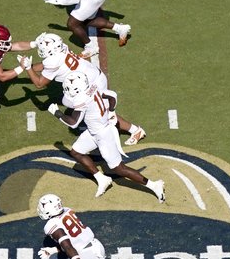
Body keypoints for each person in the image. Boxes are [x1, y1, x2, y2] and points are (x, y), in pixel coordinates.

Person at [47, 73, 162, 202]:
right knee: (76, 152)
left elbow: (73, 123)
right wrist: (111, 111)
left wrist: (57, 113)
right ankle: (102, 179)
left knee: (119, 169)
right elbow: (113, 95)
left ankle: (154, 185)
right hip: (94, 131)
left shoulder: (81, 99)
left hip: (103, 135)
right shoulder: (92, 86)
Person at [29, 32, 146, 145]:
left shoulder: (53, 61)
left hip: (92, 84)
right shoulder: (61, 49)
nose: (41, 50)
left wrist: (28, 68)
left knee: (103, 114)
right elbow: (45, 66)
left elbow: (39, 84)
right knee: (69, 101)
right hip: (93, 76)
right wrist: (27, 67)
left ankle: (136, 131)